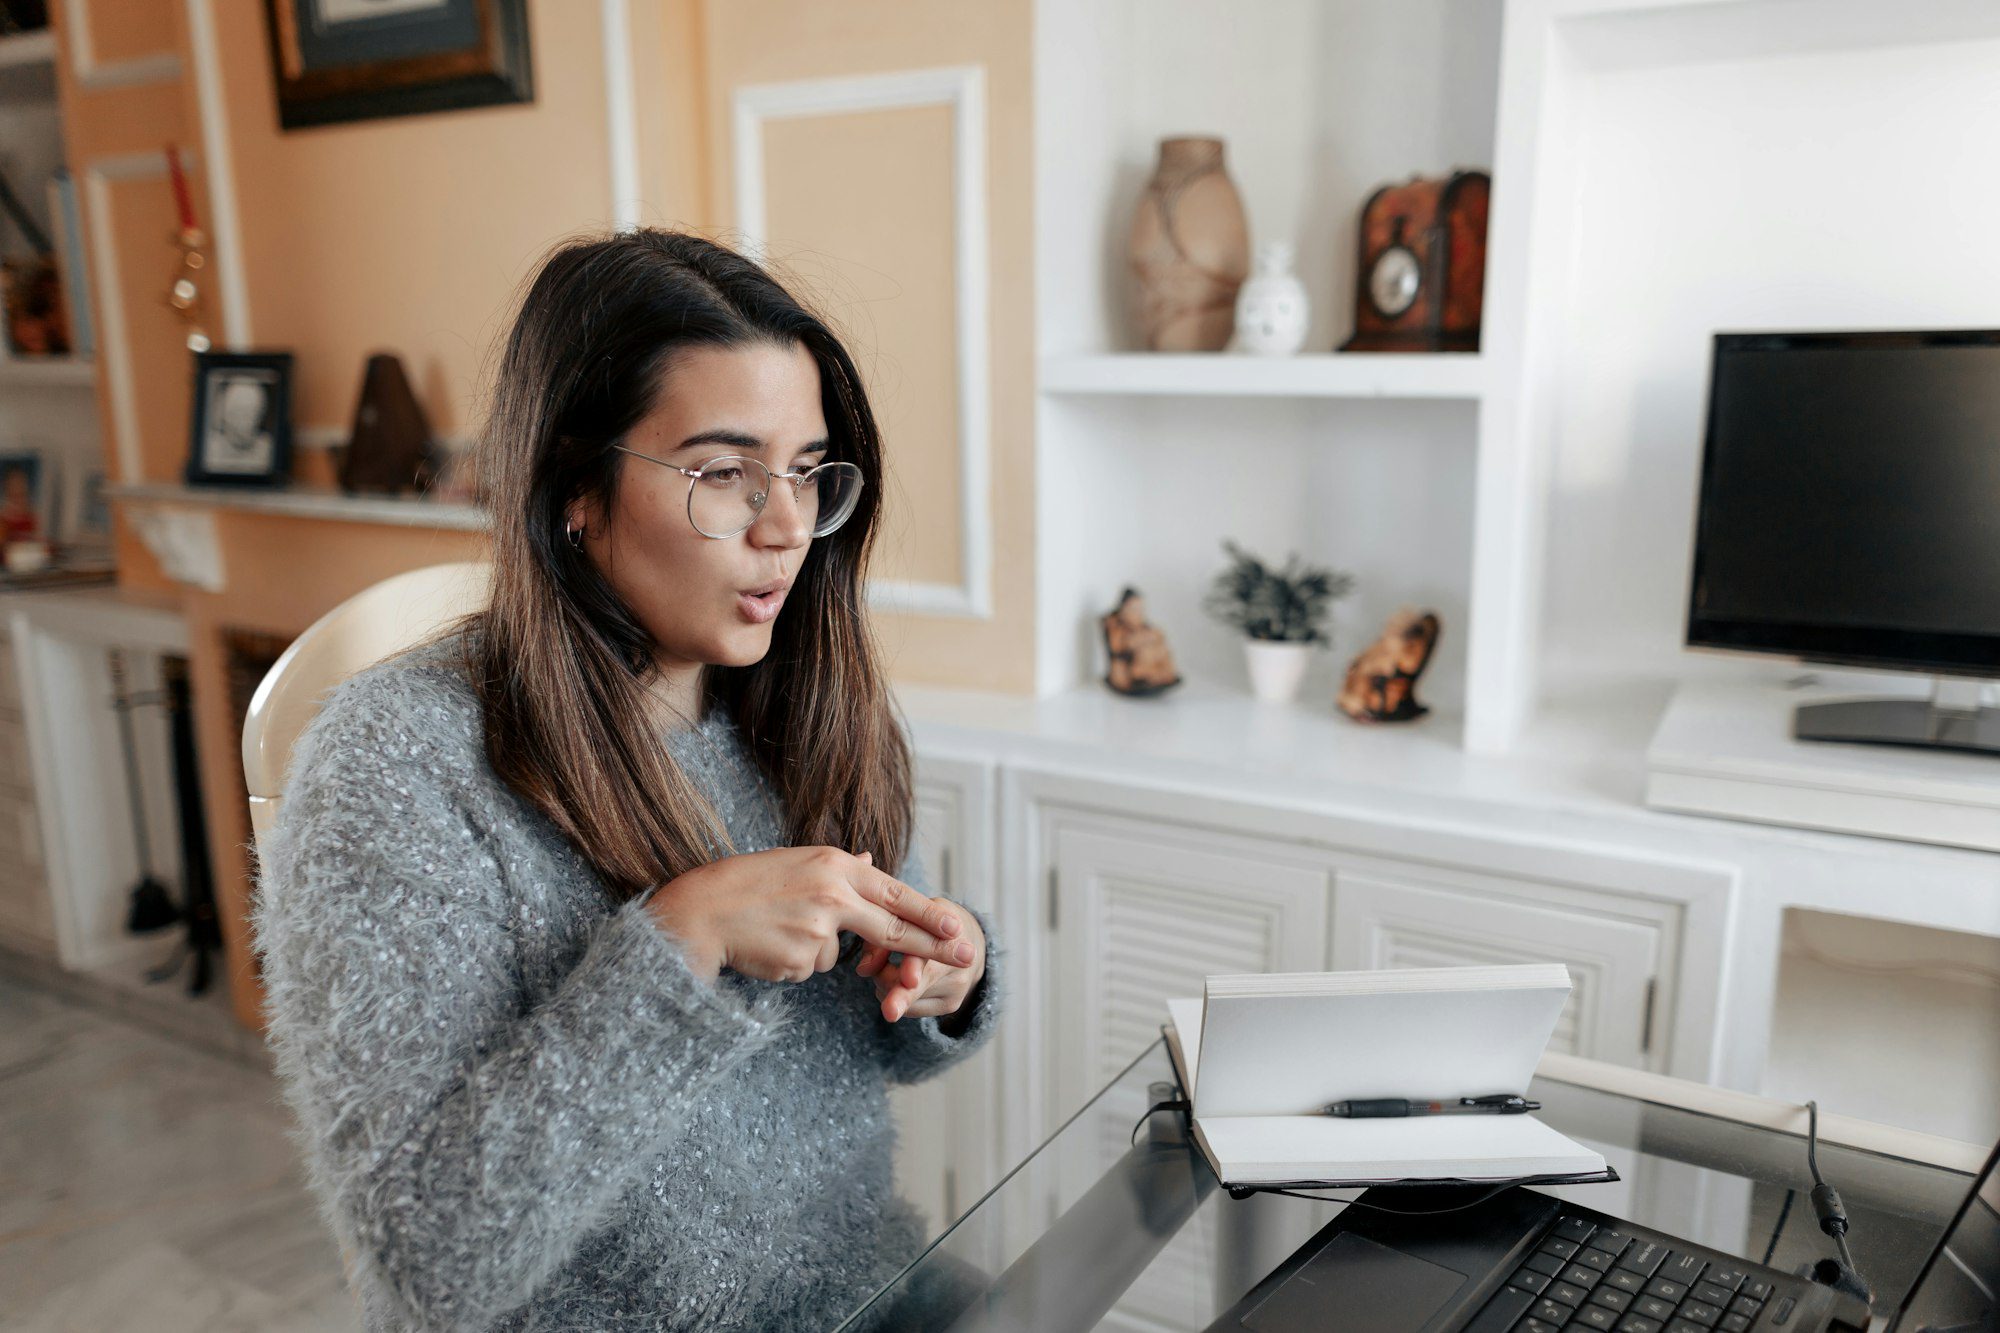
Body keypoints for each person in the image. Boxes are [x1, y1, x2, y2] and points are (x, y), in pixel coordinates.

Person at [250, 229, 1001, 1332]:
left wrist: (946, 971)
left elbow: (888, 1042)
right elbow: (430, 1256)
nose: (787, 527)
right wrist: (677, 940)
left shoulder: (812, 698)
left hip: (867, 1298)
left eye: (803, 470)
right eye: (722, 473)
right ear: (573, 488)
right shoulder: (397, 762)